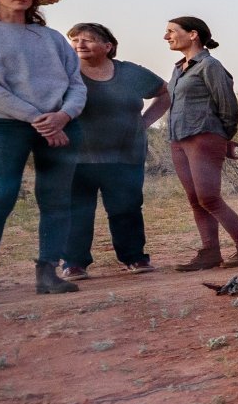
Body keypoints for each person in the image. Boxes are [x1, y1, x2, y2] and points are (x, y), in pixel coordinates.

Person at [0, 0, 86, 302]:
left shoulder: (52, 37)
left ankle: (49, 273)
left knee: (58, 199)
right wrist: (37, 118)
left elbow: (76, 83)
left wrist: (62, 115)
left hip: (61, 124)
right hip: (3, 124)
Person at [61, 22, 169, 278]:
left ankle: (134, 258)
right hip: (77, 155)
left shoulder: (130, 73)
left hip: (125, 154)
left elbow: (166, 93)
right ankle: (74, 263)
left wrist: (144, 122)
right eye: (75, 40)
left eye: (88, 39)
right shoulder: (66, 74)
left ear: (108, 46)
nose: (80, 44)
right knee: (77, 210)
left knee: (127, 207)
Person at [166, 15, 238, 271]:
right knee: (196, 199)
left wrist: (222, 137)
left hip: (203, 138)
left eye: (172, 31)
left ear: (193, 34)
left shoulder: (210, 66)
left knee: (209, 197)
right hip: (179, 140)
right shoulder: (178, 68)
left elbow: (228, 107)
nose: (166, 37)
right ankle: (210, 252)